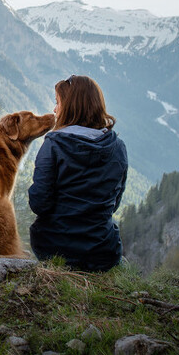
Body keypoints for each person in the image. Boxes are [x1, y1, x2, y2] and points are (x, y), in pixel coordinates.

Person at [28, 74, 128, 271]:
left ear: (71, 106)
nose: (55, 109)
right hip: (103, 252)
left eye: (58, 102)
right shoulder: (117, 147)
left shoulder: (53, 145)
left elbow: (39, 203)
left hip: (54, 249)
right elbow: (114, 204)